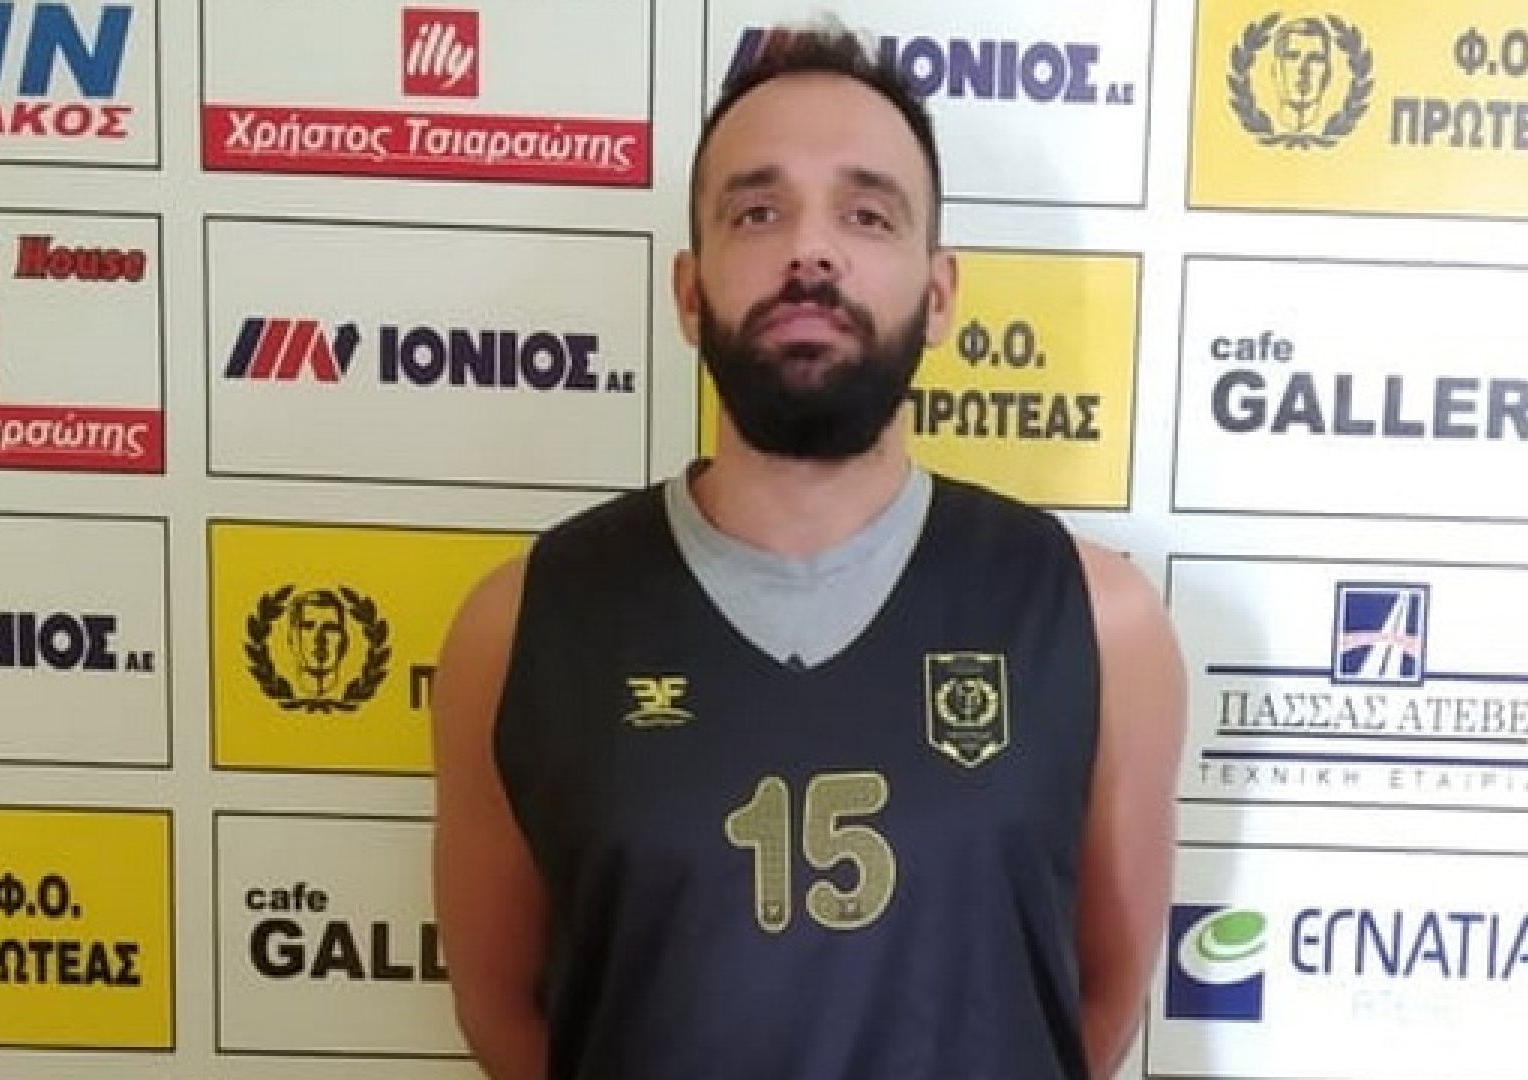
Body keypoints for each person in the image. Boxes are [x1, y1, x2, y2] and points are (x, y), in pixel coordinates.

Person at [431, 21, 1185, 1080]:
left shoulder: (1099, 622)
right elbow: (503, 1011)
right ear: (688, 292)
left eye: (868, 213)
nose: (811, 252)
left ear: (940, 294)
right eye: (758, 211)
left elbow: (1091, 1007)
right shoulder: (520, 626)